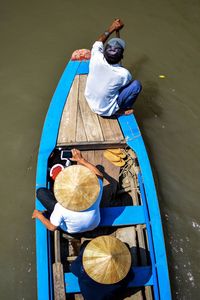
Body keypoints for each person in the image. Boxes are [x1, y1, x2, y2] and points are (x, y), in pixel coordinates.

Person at [32, 149, 103, 233]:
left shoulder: (60, 208)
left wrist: (39, 216)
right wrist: (81, 160)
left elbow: (52, 227)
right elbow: (99, 175)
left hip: (71, 230)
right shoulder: (96, 190)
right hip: (94, 224)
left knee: (41, 192)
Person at [84, 18, 142, 117]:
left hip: (89, 98)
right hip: (104, 110)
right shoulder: (124, 74)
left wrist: (112, 28)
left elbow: (99, 42)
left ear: (104, 53)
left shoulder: (96, 57)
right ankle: (121, 110)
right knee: (136, 85)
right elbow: (123, 86)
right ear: (122, 57)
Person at [70, 235, 134, 300]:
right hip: (111, 297)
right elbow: (131, 276)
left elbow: (72, 267)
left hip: (91, 297)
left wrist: (83, 254)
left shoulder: (83, 271)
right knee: (125, 246)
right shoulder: (124, 275)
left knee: (86, 245)